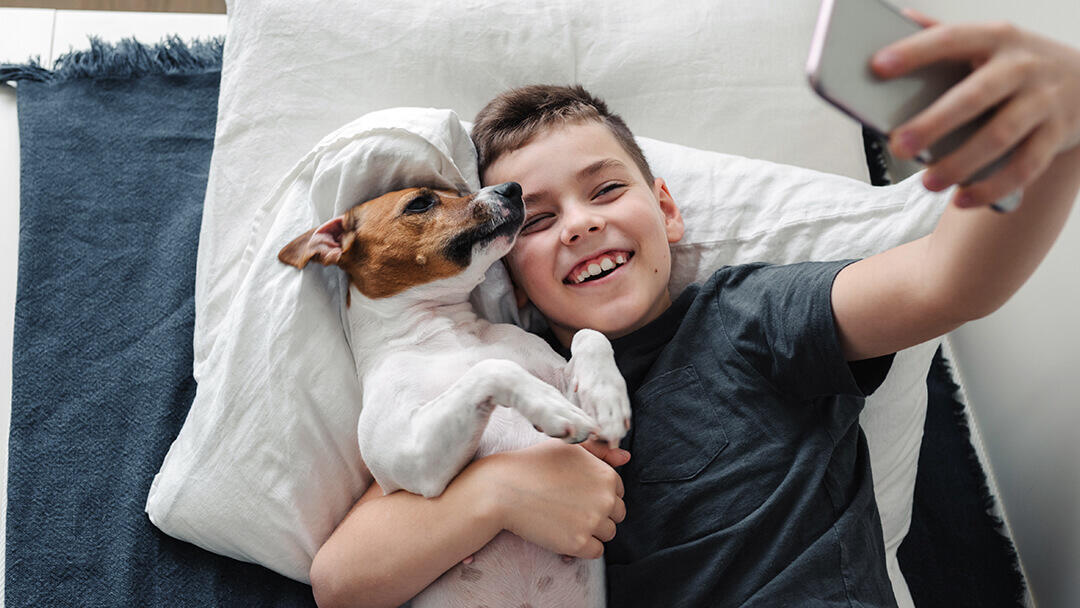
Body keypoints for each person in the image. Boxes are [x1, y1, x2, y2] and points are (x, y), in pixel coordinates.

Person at [310, 9, 1080, 607]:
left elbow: (948, 281)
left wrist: (1061, 135)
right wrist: (501, 492)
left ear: (668, 214)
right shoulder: (507, 382)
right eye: (539, 220)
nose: (580, 222)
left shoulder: (748, 314)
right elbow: (341, 578)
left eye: (607, 189)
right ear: (501, 258)